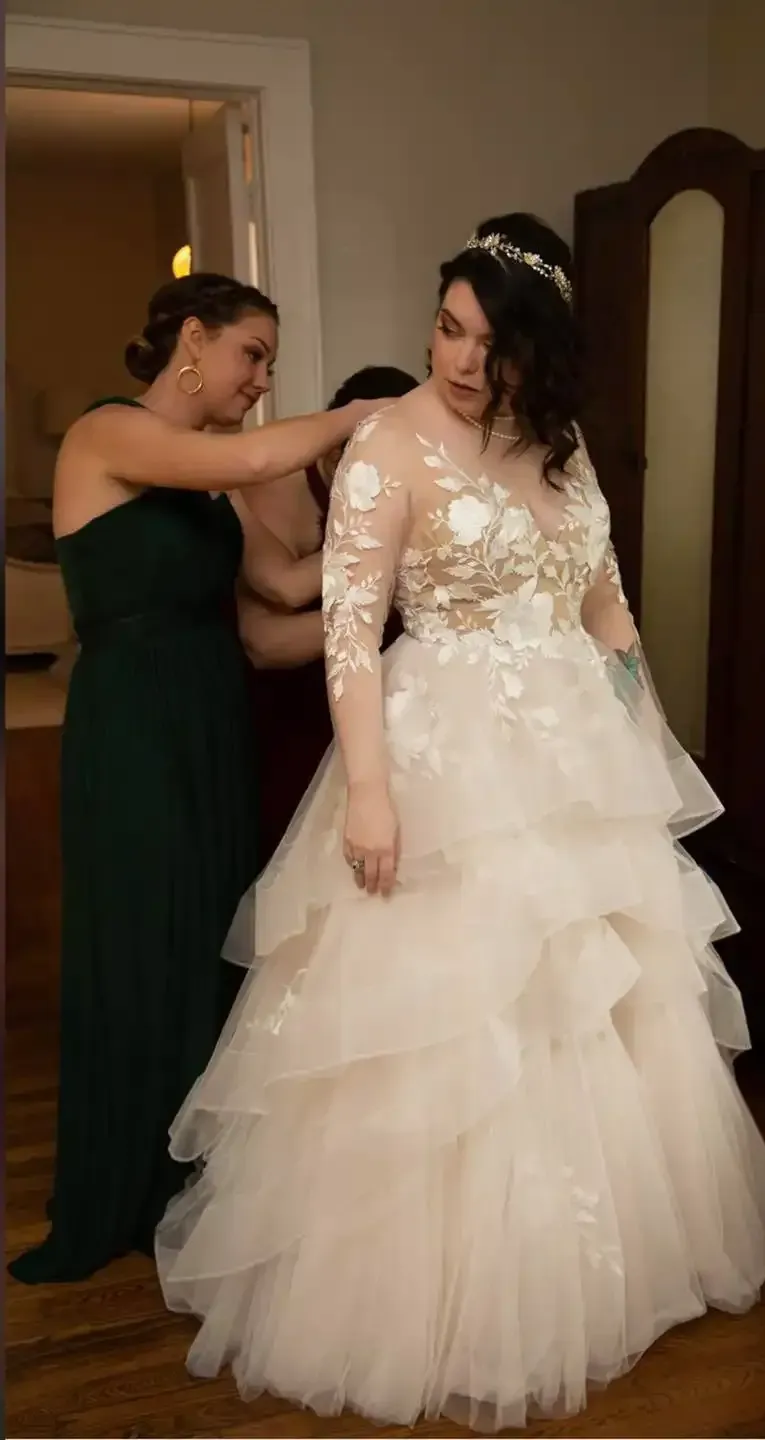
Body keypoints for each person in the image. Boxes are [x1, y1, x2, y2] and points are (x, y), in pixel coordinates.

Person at [156, 219, 765, 1431]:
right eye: (448, 328)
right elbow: (351, 633)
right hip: (444, 762)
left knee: (597, 1004)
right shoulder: (389, 444)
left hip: (575, 765)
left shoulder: (564, 445)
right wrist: (372, 789)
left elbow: (607, 610)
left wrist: (647, 750)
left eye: (491, 345)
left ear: (538, 354)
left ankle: (600, 1272)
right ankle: (439, 1298)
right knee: (459, 1017)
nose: (459, 360)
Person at [9, 273, 385, 1286]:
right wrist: (365, 413)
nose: (260, 379)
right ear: (191, 339)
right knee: (139, 936)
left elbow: (279, 585)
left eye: (269, 362)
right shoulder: (108, 434)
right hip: (134, 723)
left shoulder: (210, 479)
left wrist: (398, 571)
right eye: (251, 354)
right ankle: (119, 1183)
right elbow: (259, 455)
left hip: (211, 719)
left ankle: (190, 1184)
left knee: (208, 941)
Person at [237, 366, 418, 864]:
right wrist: (385, 564)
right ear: (337, 454)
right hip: (296, 711)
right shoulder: (280, 491)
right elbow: (264, 640)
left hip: (390, 714)